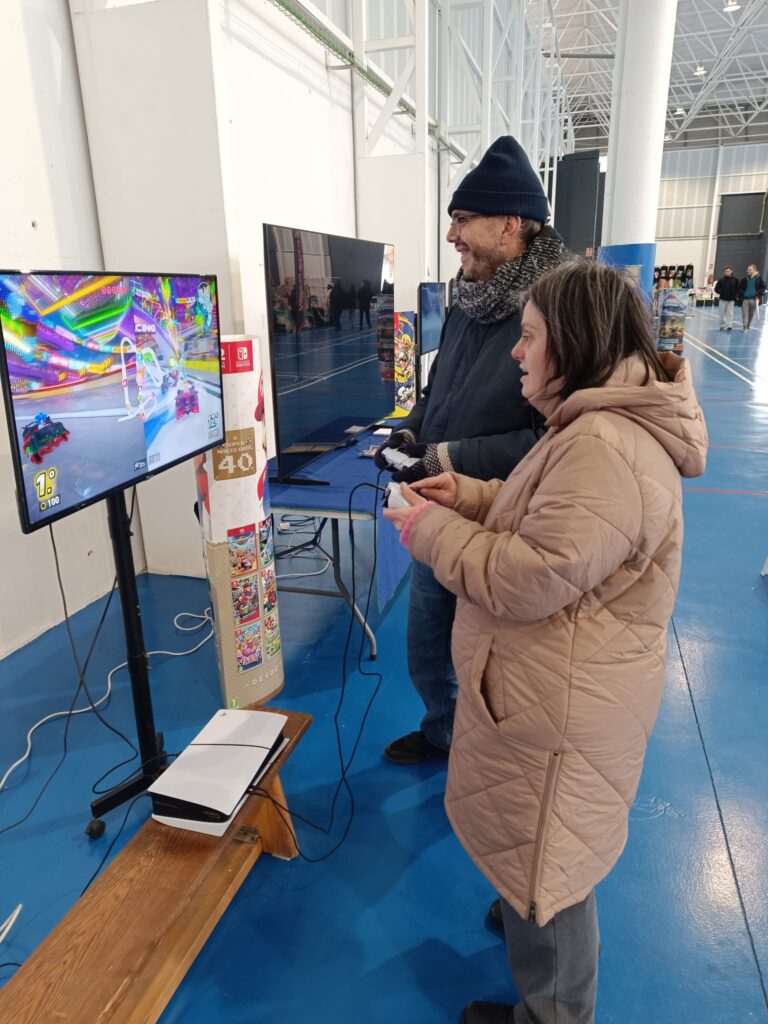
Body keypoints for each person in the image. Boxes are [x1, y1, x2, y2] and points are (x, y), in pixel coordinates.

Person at [384, 258, 708, 1024]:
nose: (516, 351)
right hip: (560, 685)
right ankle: (526, 919)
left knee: (549, 867)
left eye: (529, 336)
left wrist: (428, 530)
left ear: (572, 341)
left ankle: (553, 1014)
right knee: (538, 851)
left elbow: (529, 575)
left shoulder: (602, 445)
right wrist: (470, 495)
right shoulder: (593, 428)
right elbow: (551, 513)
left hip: (563, 704)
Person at [375, 135, 568, 765]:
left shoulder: (559, 310)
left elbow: (552, 441)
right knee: (427, 641)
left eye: (463, 220)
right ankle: (444, 733)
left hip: (507, 520)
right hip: (443, 506)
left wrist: (448, 457)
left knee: (491, 659)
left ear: (510, 224)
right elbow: (437, 390)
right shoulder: (469, 296)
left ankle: (484, 756)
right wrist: (411, 434)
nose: (451, 235)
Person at [738, 264, 765, 330]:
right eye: (747, 269)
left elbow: (763, 287)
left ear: (754, 270)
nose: (748, 271)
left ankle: (748, 325)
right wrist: (743, 293)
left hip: (754, 300)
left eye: (750, 269)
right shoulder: (745, 279)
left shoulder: (759, 278)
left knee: (751, 314)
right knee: (745, 314)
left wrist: (757, 293)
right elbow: (739, 287)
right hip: (745, 299)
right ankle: (745, 327)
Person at [714, 265, 738, 330]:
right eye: (725, 271)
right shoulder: (721, 280)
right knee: (721, 313)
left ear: (731, 271)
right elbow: (716, 289)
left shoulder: (735, 280)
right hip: (723, 299)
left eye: (728, 271)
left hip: (731, 300)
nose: (726, 272)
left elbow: (738, 289)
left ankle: (729, 325)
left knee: (730, 313)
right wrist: (722, 292)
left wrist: (736, 296)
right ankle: (723, 324)